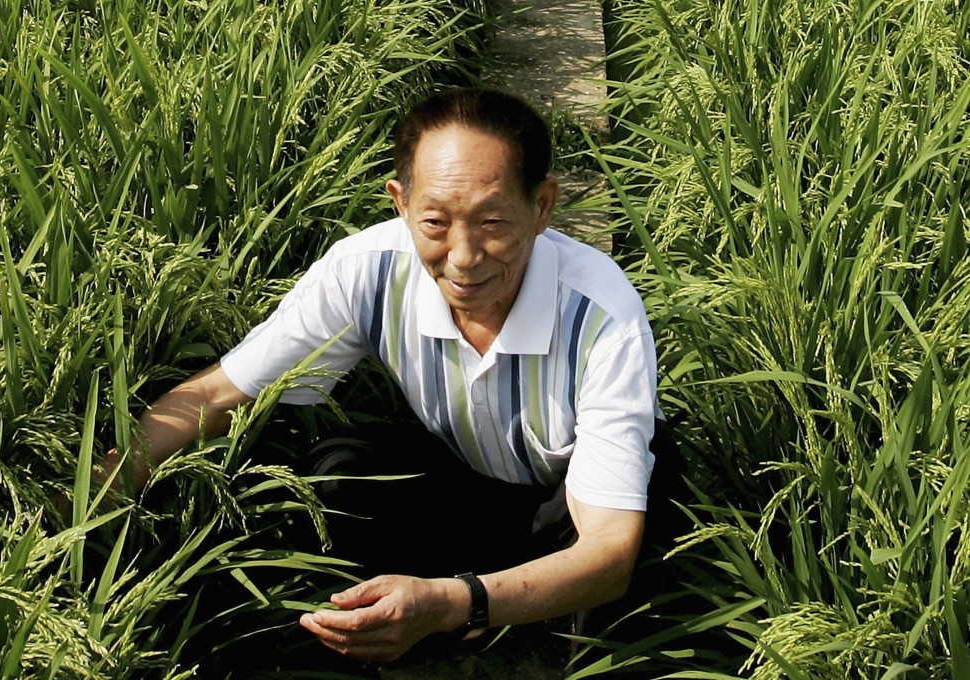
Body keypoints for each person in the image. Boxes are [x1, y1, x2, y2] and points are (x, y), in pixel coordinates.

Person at [94, 87, 660, 665]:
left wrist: (452, 602)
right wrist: (99, 492)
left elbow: (610, 549)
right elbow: (218, 393)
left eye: (492, 221)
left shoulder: (601, 317)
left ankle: (483, 619)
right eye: (435, 222)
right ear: (400, 202)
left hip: (573, 511)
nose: (463, 257)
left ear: (542, 206)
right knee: (332, 474)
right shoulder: (367, 271)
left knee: (619, 611)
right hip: (467, 484)